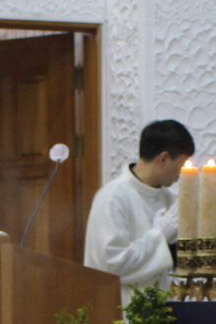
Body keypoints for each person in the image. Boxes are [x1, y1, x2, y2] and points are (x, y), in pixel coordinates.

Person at [83, 119, 195, 304]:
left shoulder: (166, 198)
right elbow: (111, 266)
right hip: (120, 311)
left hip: (158, 309)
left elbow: (169, 262)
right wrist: (159, 235)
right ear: (164, 158)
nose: (182, 173)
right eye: (182, 164)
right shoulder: (112, 197)